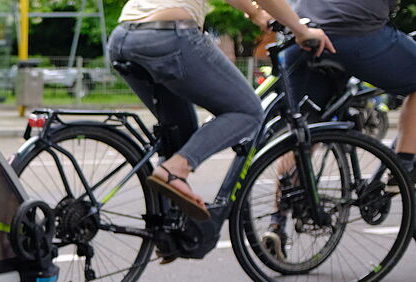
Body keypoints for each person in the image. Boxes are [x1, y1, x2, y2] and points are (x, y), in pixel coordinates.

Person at [108, 0, 335, 221]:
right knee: (247, 112)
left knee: (179, 136)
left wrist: (257, 14)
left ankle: (166, 227)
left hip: (124, 37)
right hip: (169, 37)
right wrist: (301, 30)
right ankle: (174, 171)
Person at [286, 0, 415, 183]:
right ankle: (402, 170)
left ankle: (286, 197)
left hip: (302, 33)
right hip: (358, 32)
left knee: (303, 130)